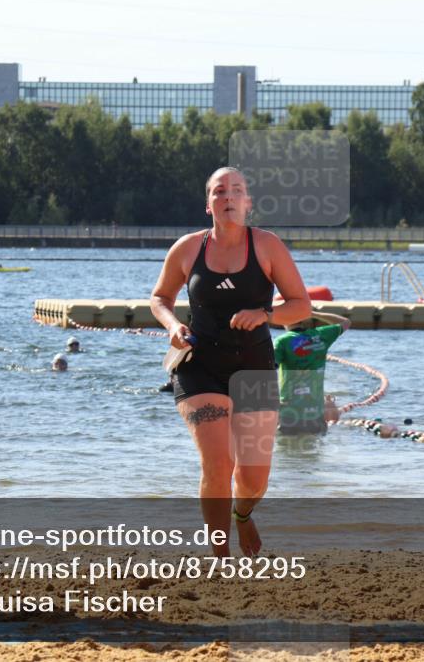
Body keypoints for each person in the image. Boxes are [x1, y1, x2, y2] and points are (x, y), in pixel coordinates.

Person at [150, 167, 311, 557]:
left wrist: (266, 315)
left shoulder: (268, 246)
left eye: (236, 190)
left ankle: (243, 515)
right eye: (219, 191)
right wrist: (172, 325)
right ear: (208, 205)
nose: (228, 197)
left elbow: (301, 306)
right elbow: (159, 298)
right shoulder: (188, 248)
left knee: (254, 480)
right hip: (199, 365)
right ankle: (220, 559)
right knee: (218, 465)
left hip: (254, 366)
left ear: (248, 203)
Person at [274, 311, 351, 435]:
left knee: (287, 450)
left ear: (283, 319)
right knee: (315, 448)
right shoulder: (321, 335)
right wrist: (312, 313)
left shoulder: (282, 341)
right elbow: (346, 322)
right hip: (315, 412)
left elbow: (267, 370)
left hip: (290, 412)